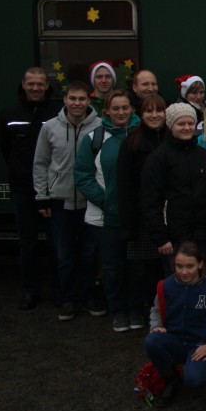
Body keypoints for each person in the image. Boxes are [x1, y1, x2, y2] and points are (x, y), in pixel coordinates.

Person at [33, 80, 101, 321]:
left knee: (89, 252)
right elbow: (41, 163)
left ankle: (88, 296)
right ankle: (68, 298)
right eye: (73, 99)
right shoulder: (50, 127)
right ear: (65, 100)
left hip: (90, 201)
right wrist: (42, 196)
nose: (77, 103)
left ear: (88, 101)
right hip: (59, 200)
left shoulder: (99, 127)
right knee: (63, 253)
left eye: (82, 99)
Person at [75, 89, 140, 332]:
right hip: (105, 217)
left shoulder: (140, 135)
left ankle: (135, 309)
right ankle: (118, 311)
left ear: (131, 109)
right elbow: (82, 175)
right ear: (107, 111)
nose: (121, 112)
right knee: (112, 267)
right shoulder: (94, 138)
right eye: (116, 108)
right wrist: (105, 201)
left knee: (135, 266)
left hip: (135, 217)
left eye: (125, 108)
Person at [0, 66, 61, 309]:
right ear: (23, 85)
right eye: (31, 83)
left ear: (47, 86)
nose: (35, 88)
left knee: (56, 242)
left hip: (53, 188)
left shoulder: (57, 111)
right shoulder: (9, 113)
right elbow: (5, 148)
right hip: (23, 188)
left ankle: (58, 289)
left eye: (40, 84)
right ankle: (30, 290)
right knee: (28, 242)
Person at [143, 241, 206, 408]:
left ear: (200, 264)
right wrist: (156, 325)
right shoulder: (165, 286)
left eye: (189, 266)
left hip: (202, 346)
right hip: (175, 341)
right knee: (152, 340)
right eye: (179, 266)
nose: (184, 272)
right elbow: (156, 309)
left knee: (195, 380)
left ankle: (196, 370)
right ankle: (172, 380)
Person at [141, 103, 206, 273]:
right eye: (181, 124)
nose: (187, 128)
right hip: (173, 236)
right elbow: (150, 200)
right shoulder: (158, 158)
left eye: (190, 123)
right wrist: (160, 238)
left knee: (200, 282)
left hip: (202, 235)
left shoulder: (204, 156)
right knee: (176, 285)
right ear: (170, 125)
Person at [116, 93, 167, 326]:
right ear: (141, 114)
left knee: (160, 269)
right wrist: (128, 224)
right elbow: (124, 186)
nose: (154, 115)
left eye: (158, 110)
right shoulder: (131, 143)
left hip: (165, 215)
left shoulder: (171, 138)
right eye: (149, 111)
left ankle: (156, 311)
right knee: (138, 269)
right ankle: (135, 309)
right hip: (139, 216)